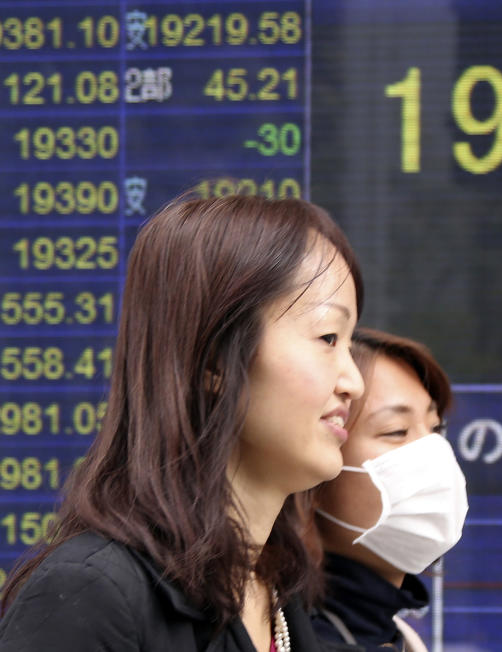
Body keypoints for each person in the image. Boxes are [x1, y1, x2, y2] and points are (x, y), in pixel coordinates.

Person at [0, 194, 365, 652]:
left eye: (350, 345)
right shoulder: (90, 596)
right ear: (214, 357)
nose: (354, 382)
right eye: (328, 337)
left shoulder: (277, 594)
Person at [299, 328, 468, 651]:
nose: (433, 453)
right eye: (396, 431)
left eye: (435, 429)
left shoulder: (395, 636)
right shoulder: (284, 635)